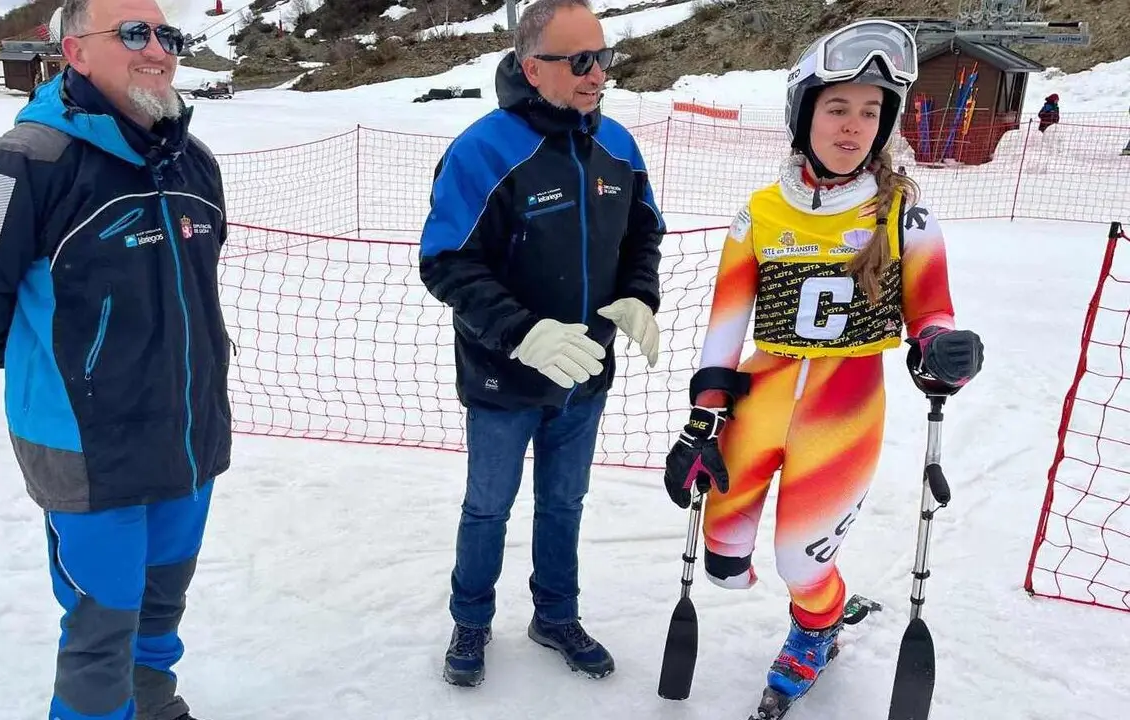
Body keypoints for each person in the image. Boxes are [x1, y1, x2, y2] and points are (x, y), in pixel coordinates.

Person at [0, 0, 230, 718]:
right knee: (101, 630)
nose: (157, 49)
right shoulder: (21, 165)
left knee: (160, 607)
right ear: (76, 53)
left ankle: (152, 705)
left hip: (188, 437)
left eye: (166, 35)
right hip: (89, 450)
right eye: (132, 33)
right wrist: (66, 373)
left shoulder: (194, 162)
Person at [661, 18, 983, 708]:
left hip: (845, 403)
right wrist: (701, 422)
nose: (854, 126)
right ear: (804, 114)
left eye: (871, 112)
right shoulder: (761, 214)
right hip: (760, 392)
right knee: (722, 561)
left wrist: (943, 352)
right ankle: (822, 602)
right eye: (837, 107)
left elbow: (932, 315)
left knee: (798, 561)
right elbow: (725, 326)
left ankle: (819, 625)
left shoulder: (904, 217)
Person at [418, 0, 665, 688]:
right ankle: (471, 618)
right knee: (488, 507)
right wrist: (521, 332)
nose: (598, 74)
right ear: (533, 67)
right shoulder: (483, 150)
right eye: (580, 60)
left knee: (564, 503)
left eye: (604, 57)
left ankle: (555, 614)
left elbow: (644, 233)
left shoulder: (616, 143)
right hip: (503, 381)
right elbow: (446, 260)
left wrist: (641, 296)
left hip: (586, 374)